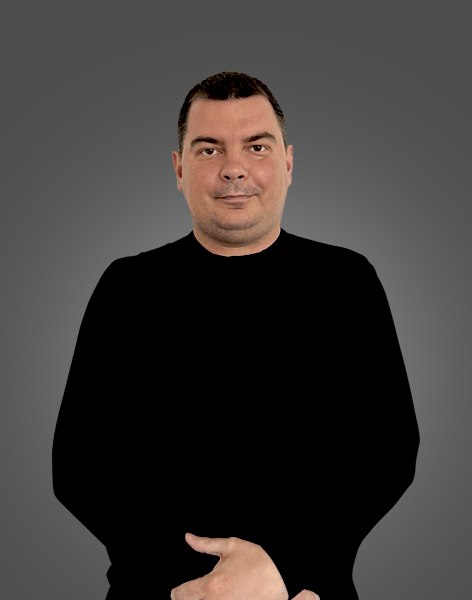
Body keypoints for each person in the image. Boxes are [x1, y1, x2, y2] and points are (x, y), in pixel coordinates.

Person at [52, 71, 420, 600]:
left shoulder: (347, 282)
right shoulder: (126, 287)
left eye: (256, 146)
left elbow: (387, 451)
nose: (234, 168)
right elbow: (79, 467)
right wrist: (199, 583)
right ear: (179, 169)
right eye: (209, 149)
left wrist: (286, 568)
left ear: (288, 164)